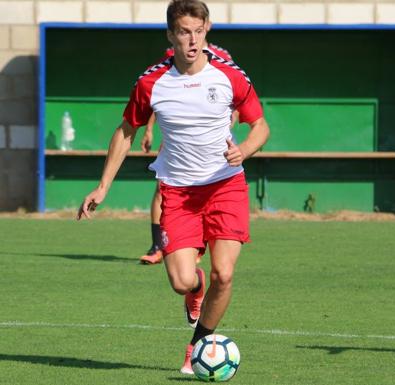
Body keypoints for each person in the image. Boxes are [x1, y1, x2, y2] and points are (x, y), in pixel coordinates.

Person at [77, 0, 269, 374]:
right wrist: (102, 187)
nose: (193, 40)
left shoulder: (229, 76)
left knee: (224, 274)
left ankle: (197, 346)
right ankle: (194, 294)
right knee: (183, 282)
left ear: (207, 29)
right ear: (171, 36)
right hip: (178, 194)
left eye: (199, 31)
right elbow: (126, 131)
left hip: (225, 186)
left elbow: (259, 125)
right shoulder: (152, 82)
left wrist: (243, 150)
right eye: (184, 32)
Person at [139, 44, 235, 265]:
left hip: (214, 143)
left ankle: (197, 243)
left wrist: (230, 122)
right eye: (184, 29)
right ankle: (157, 246)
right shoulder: (173, 55)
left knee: (213, 190)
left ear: (206, 25)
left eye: (199, 26)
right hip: (177, 139)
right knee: (162, 187)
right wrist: (150, 128)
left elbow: (237, 95)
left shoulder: (223, 58)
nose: (191, 35)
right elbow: (160, 95)